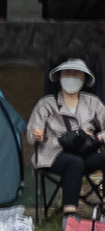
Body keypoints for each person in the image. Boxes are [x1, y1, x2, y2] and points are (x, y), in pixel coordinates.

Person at [30, 58, 105, 213]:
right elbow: (34, 132)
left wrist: (98, 138)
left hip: (86, 151)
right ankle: (69, 216)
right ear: (60, 77)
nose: (72, 77)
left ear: (84, 78)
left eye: (77, 73)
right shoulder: (46, 103)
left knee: (88, 159)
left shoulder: (93, 102)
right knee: (74, 163)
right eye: (67, 73)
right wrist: (37, 135)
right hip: (54, 153)